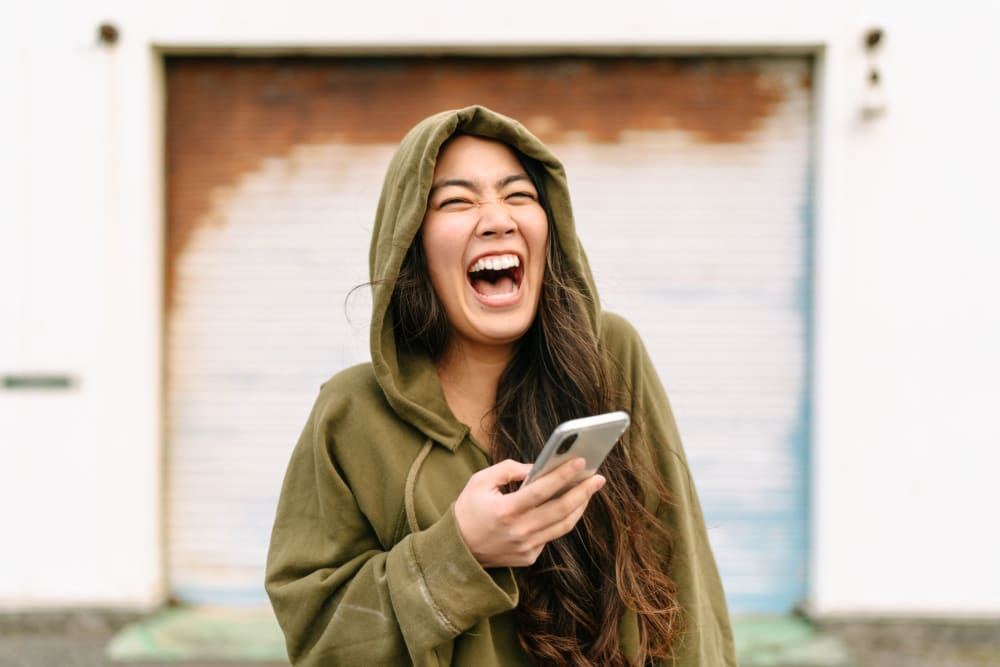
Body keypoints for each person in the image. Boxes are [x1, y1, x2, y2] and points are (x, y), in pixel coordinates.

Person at [265, 105, 735, 666]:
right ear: (411, 243)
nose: (497, 219)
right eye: (457, 202)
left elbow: (683, 583)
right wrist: (458, 553)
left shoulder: (610, 355)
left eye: (519, 196)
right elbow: (321, 641)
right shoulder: (351, 412)